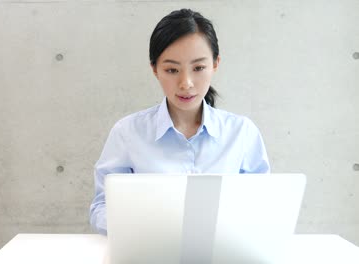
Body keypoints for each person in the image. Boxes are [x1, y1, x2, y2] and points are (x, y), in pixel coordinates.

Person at [89, 9, 270, 235]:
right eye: (172, 70)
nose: (186, 83)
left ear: (215, 64)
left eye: (199, 68)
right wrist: (138, 230)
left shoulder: (242, 132)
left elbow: (262, 206)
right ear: (155, 69)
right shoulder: (128, 133)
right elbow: (101, 207)